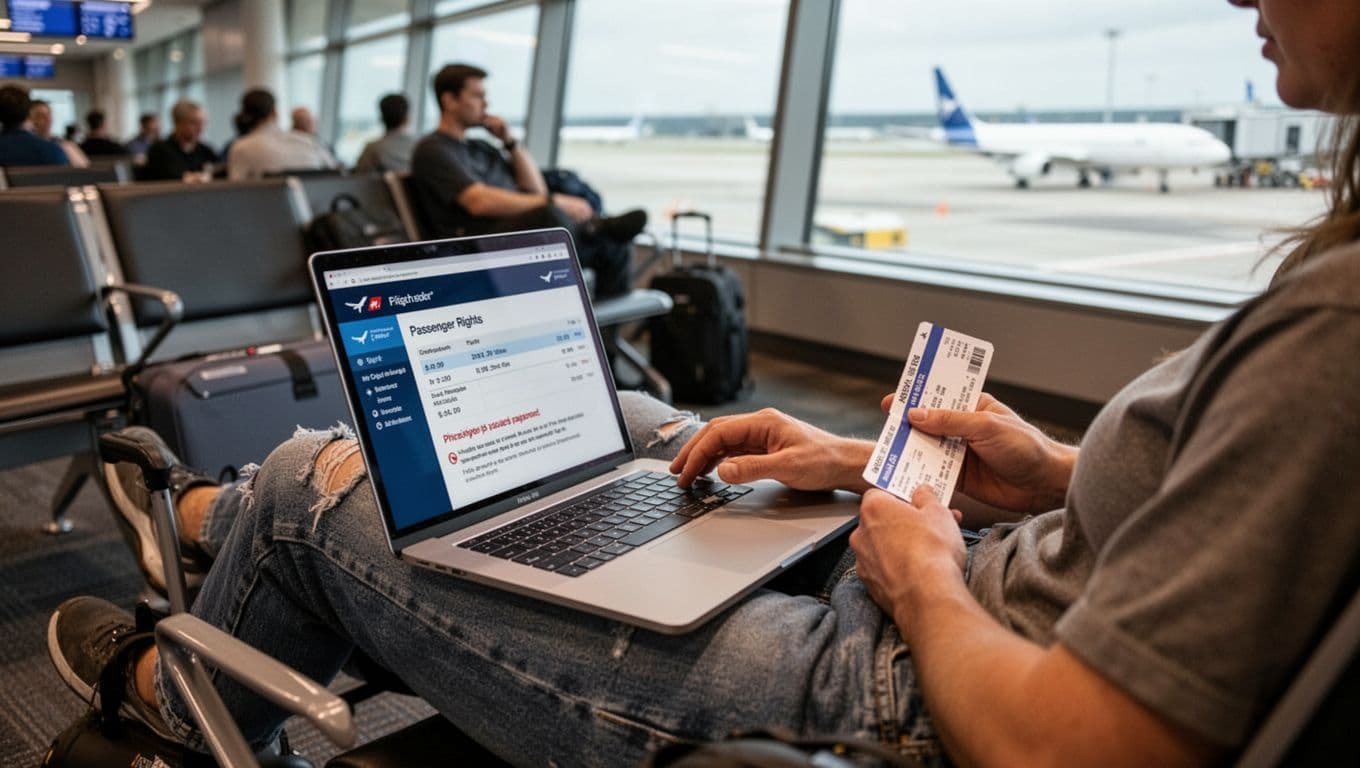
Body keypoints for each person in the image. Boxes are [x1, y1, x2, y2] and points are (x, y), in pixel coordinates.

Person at [47, 2, 1360, 765]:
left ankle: (179, 667)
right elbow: (1241, 523)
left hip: (900, 680)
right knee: (626, 428)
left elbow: (1077, 751)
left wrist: (919, 573)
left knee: (312, 479)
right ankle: (251, 528)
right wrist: (1039, 476)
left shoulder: (1335, 328)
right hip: (959, 600)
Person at [411, 63, 645, 299]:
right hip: (478, 241)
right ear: (449, 101)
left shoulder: (481, 147)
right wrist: (555, 202)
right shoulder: (433, 149)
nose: (486, 104)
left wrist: (510, 142)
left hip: (519, 236)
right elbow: (478, 201)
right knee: (549, 214)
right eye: (477, 96)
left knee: (616, 247)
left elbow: (536, 188)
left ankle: (607, 333)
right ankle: (593, 229)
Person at [226, 89, 338, 180]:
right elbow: (336, 173)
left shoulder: (242, 147)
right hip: (318, 206)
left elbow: (236, 189)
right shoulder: (308, 141)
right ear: (275, 112)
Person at [141, 100, 219, 182]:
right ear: (178, 123)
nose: (200, 128)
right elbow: (173, 177)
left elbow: (220, 171)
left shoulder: (206, 150)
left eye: (202, 123)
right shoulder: (160, 150)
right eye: (193, 123)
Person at [0, 85, 67, 167]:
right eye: (40, 116)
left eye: (49, 114)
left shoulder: (56, 147)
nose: (49, 120)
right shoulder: (53, 152)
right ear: (29, 114)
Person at [354, 92, 415, 174]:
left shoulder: (372, 149)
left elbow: (359, 179)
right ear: (407, 119)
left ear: (381, 119)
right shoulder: (419, 148)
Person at [28, 98, 88, 167]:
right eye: (40, 116)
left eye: (49, 114)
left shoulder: (64, 145)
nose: (48, 119)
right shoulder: (30, 146)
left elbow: (84, 170)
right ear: (29, 119)